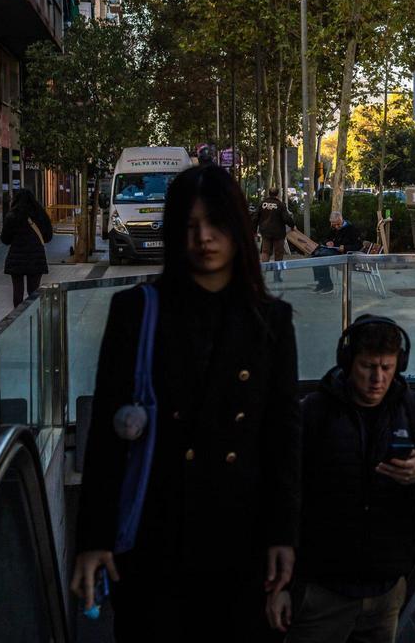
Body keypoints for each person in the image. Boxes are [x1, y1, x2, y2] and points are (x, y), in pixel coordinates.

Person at [72, 165, 301, 642]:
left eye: (215, 224)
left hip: (241, 535)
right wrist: (93, 539)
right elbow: (106, 438)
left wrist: (283, 533)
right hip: (157, 538)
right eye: (190, 226)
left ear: (238, 226)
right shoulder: (136, 311)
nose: (204, 238)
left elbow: (283, 435)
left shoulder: (271, 321)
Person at [268, 315, 415, 643]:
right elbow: (280, 496)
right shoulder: (313, 412)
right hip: (322, 592)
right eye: (368, 367)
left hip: (387, 592)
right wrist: (282, 588)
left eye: (387, 368)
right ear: (348, 363)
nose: (378, 378)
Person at [0, 188, 53, 307]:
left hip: (16, 259)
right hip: (36, 257)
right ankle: (33, 315)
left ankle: (18, 318)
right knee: (33, 291)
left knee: (18, 292)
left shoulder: (12, 216)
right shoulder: (40, 214)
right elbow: (48, 237)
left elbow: (5, 239)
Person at [311, 211, 363, 295]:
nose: (336, 227)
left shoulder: (351, 229)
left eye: (338, 224)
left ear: (341, 220)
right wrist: (328, 242)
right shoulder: (333, 227)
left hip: (344, 254)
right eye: (334, 224)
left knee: (322, 257)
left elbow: (359, 245)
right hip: (334, 250)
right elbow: (326, 238)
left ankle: (328, 285)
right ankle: (321, 283)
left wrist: (345, 248)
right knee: (314, 255)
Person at [256, 187, 295, 281]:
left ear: (269, 193)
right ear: (278, 194)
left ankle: (263, 276)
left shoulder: (263, 204)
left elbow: (255, 216)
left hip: (265, 232)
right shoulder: (280, 205)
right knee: (278, 254)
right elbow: (286, 218)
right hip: (278, 233)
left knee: (265, 252)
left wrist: (253, 229)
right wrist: (292, 225)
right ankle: (277, 277)